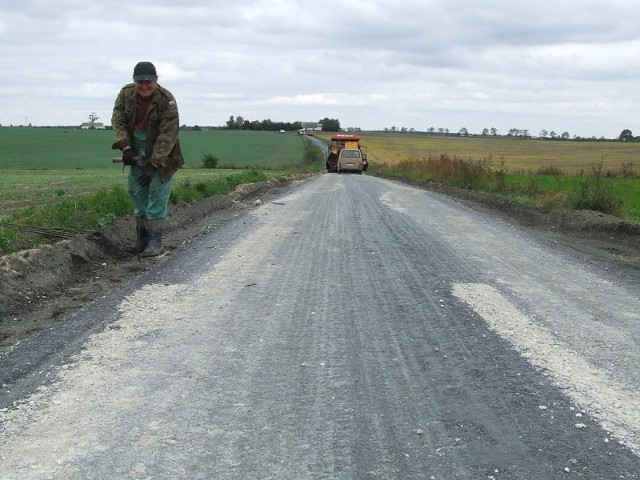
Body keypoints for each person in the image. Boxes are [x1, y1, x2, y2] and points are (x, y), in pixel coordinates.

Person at [111, 61, 184, 257]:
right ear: (134, 81)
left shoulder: (166, 100)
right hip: (136, 150)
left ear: (155, 81)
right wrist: (125, 147)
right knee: (137, 192)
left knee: (157, 195)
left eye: (148, 82)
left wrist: (154, 164)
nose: (144, 86)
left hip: (163, 155)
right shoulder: (126, 94)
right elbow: (118, 120)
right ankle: (141, 239)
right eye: (140, 82)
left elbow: (168, 136)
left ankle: (155, 241)